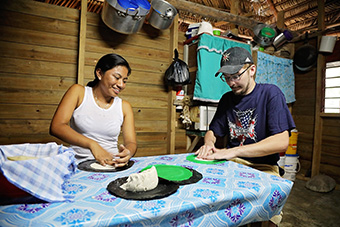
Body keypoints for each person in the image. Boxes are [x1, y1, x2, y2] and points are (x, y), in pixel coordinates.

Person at [195, 47, 296, 227]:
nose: (232, 83)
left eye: (236, 76)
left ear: (252, 70)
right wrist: (209, 144)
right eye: (227, 78)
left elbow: (282, 141)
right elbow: (213, 131)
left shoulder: (271, 94)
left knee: (268, 216)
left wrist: (231, 151)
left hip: (264, 166)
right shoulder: (227, 99)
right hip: (233, 164)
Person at [50, 53, 137, 167]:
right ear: (99, 73)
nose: (121, 85)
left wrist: (128, 152)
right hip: (77, 164)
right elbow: (57, 126)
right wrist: (93, 145)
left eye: (124, 81)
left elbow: (131, 142)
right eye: (117, 77)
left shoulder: (124, 106)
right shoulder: (79, 92)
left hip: (111, 165)